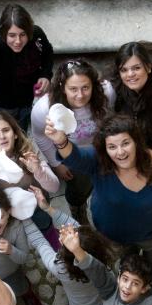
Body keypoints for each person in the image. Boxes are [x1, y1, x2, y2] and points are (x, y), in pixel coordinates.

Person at [46, 114, 152, 276]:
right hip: (111, 235)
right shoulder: (99, 160)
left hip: (150, 234)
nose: (120, 152)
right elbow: (76, 157)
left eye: (125, 143)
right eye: (112, 146)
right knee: (122, 261)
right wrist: (60, 141)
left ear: (137, 142)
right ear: (105, 148)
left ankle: (151, 279)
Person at [24, 188, 115, 305]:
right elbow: (73, 225)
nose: (62, 234)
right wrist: (46, 208)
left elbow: (40, 243)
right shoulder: (98, 260)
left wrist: (24, 219)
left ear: (65, 255)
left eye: (65, 240)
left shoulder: (61, 269)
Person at [31, 59, 115, 223]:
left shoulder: (107, 93)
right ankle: (78, 209)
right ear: (62, 87)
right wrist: (57, 164)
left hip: (102, 149)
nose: (80, 95)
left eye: (86, 87)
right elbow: (40, 135)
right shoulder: (44, 108)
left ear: (94, 84)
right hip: (70, 154)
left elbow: (111, 114)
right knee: (78, 188)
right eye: (73, 89)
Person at [0, 110, 59, 245]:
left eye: (6, 130)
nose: (2, 136)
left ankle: (56, 250)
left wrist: (38, 170)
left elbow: (54, 187)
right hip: (5, 214)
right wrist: (0, 159)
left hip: (36, 208)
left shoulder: (29, 152)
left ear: (14, 134)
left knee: (47, 231)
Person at [0, 4, 54, 131]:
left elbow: (48, 53)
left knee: (22, 134)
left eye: (23, 34)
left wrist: (45, 75)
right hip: (6, 103)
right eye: (12, 35)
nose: (18, 41)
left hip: (30, 98)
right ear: (4, 33)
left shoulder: (36, 33)